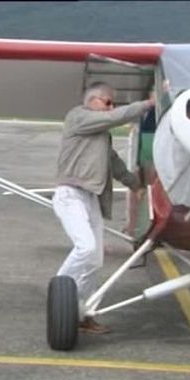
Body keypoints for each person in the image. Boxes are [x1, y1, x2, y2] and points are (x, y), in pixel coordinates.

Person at [53, 81, 154, 335]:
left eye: (114, 103)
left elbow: (115, 164)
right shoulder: (77, 117)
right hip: (71, 194)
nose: (112, 107)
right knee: (85, 248)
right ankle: (57, 294)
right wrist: (149, 103)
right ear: (93, 101)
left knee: (95, 260)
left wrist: (135, 185)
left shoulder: (102, 136)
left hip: (92, 199)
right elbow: (115, 117)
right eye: (109, 102)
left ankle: (82, 313)